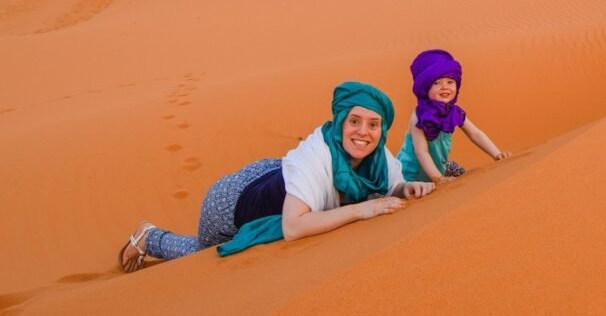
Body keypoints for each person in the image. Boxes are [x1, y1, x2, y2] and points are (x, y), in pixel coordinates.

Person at [119, 81, 433, 271]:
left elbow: (393, 185)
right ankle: (150, 237)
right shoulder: (318, 154)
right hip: (230, 204)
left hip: (274, 173)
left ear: (382, 129)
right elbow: (294, 227)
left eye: (373, 124)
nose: (363, 132)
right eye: (354, 121)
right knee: (203, 255)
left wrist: (407, 188)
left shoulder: (378, 158)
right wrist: (360, 210)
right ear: (339, 122)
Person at [396, 49, 510, 184]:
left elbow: (476, 134)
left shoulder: (454, 111)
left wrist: (497, 154)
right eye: (437, 83)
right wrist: (437, 178)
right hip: (410, 173)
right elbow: (422, 153)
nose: (445, 87)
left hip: (438, 167)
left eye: (450, 82)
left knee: (464, 178)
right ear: (425, 88)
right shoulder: (419, 116)